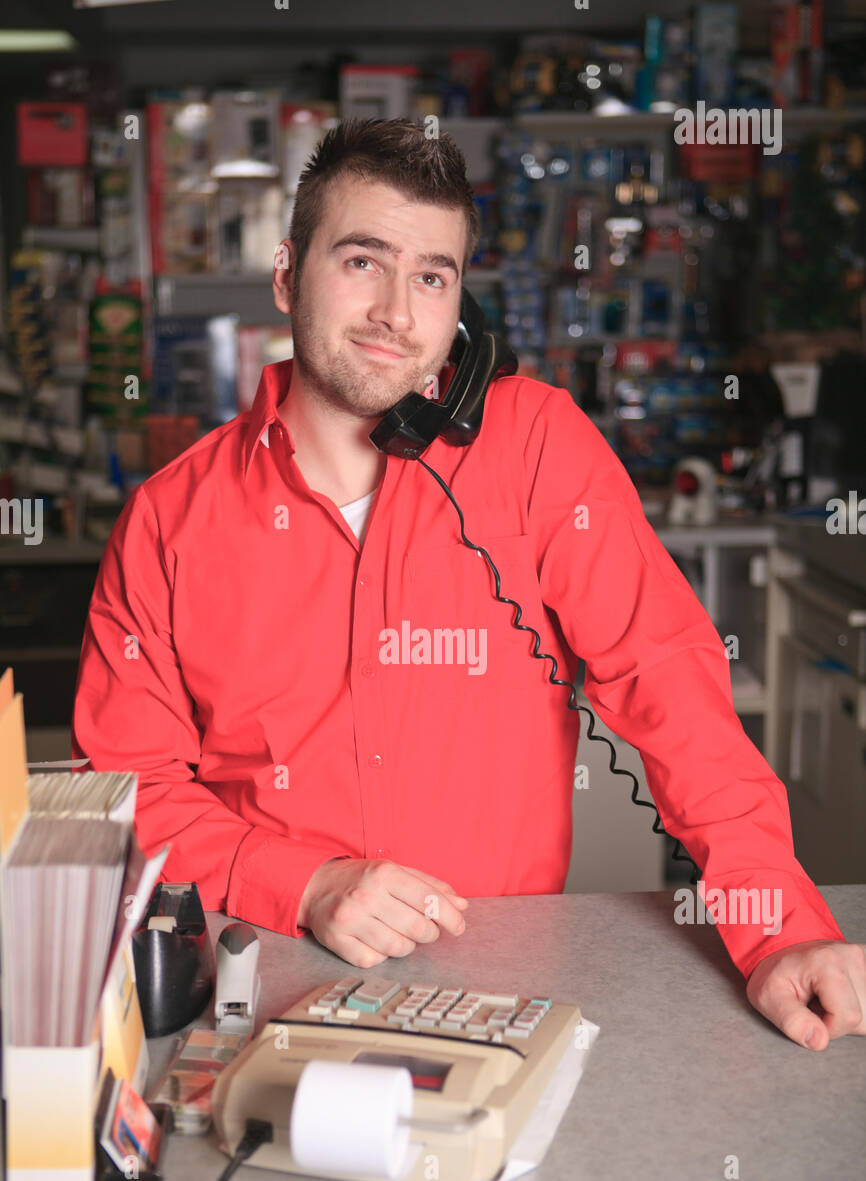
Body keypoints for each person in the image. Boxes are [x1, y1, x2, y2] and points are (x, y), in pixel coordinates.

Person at [72, 117, 864, 1051]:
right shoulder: (169, 518)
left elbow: (669, 684)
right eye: (362, 261)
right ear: (286, 275)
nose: (396, 313)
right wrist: (305, 884)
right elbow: (129, 790)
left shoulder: (536, 446)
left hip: (505, 985)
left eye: (432, 277)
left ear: (461, 307)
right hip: (260, 974)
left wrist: (782, 929)